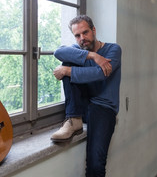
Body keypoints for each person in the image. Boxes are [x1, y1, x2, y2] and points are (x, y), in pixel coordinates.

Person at [51, 15, 122, 177]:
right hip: (82, 105)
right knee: (67, 61)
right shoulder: (80, 50)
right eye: (77, 35)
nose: (82, 38)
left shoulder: (113, 49)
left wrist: (67, 71)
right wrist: (92, 56)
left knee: (96, 164)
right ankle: (74, 119)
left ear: (94, 30)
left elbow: (99, 73)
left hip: (103, 107)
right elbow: (59, 52)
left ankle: (75, 118)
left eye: (85, 32)